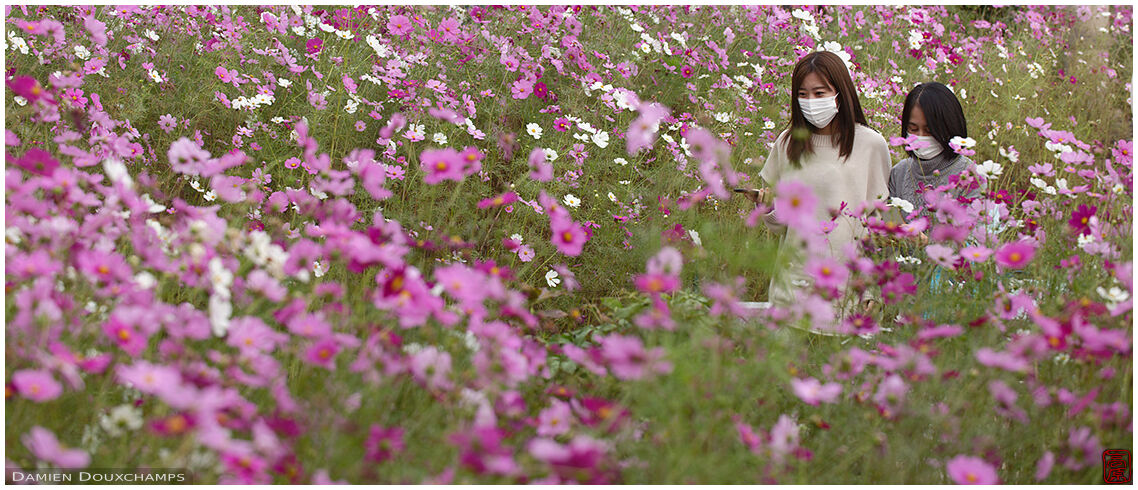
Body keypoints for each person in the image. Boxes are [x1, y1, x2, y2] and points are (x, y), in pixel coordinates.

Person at [742, 51, 891, 332]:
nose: (811, 102)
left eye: (819, 92)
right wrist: (767, 206)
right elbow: (780, 226)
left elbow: (877, 226)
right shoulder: (788, 143)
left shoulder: (871, 145)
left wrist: (873, 291)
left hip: (846, 292)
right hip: (792, 288)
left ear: (840, 92)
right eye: (803, 94)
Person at [888, 82, 980, 221]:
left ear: (948, 128)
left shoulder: (970, 176)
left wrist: (925, 242)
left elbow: (975, 237)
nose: (920, 137)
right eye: (913, 129)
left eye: (929, 131)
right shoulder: (899, 173)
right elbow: (891, 228)